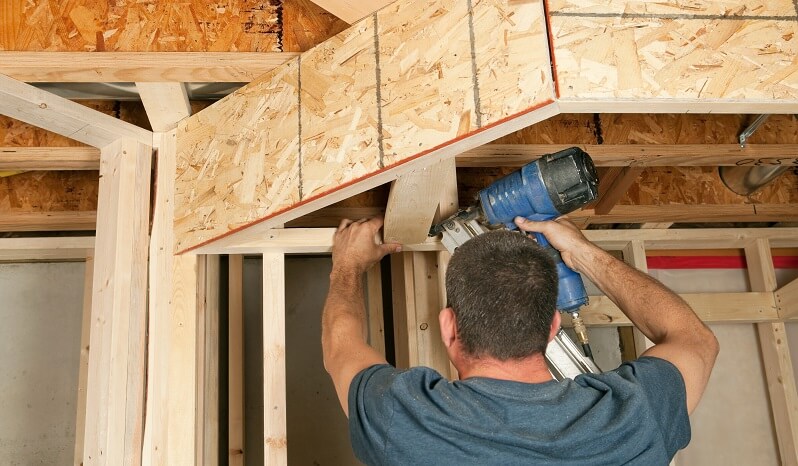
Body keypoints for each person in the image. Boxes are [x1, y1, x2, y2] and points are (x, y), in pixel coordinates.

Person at [322, 215, 719, 466]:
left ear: (448, 327)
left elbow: (341, 345)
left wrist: (348, 265)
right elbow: (695, 340)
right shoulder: (636, 418)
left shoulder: (404, 420)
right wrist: (581, 253)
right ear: (552, 327)